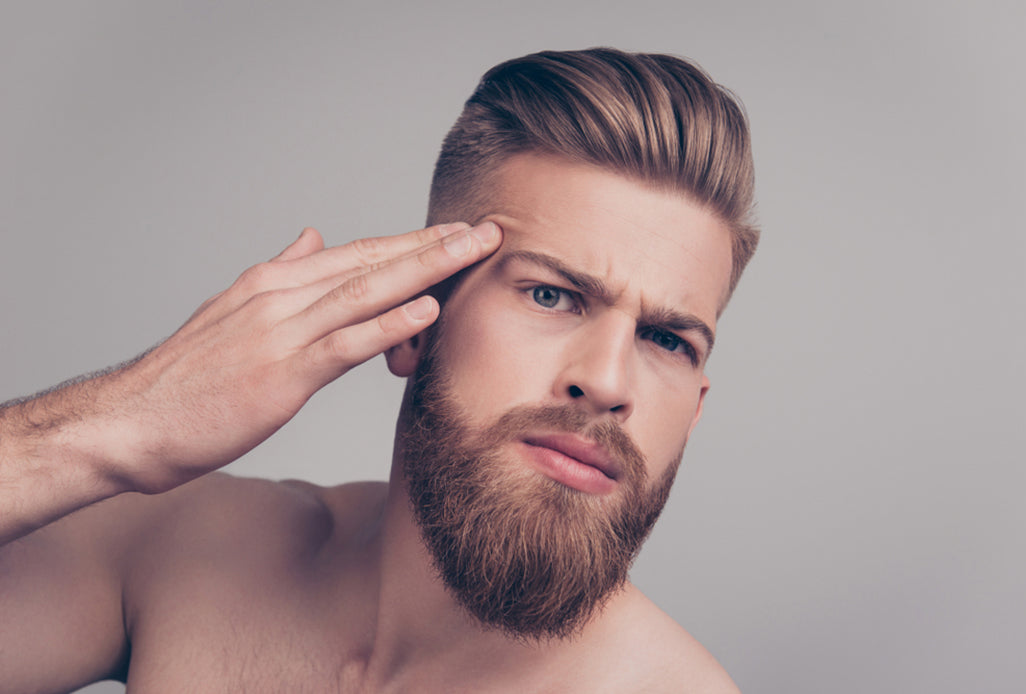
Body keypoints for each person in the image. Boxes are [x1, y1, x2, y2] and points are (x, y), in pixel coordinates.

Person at [0, 48, 757, 692]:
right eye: (552, 295)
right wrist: (117, 425)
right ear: (414, 319)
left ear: (694, 408)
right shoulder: (186, 550)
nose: (609, 381)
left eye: (666, 340)